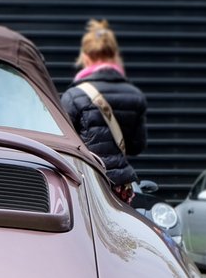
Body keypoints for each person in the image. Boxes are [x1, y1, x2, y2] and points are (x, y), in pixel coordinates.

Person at [60, 19, 146, 202]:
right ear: (114, 54)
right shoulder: (134, 96)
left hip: (87, 186)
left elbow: (64, 146)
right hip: (120, 189)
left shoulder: (73, 96)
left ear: (85, 56)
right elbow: (137, 146)